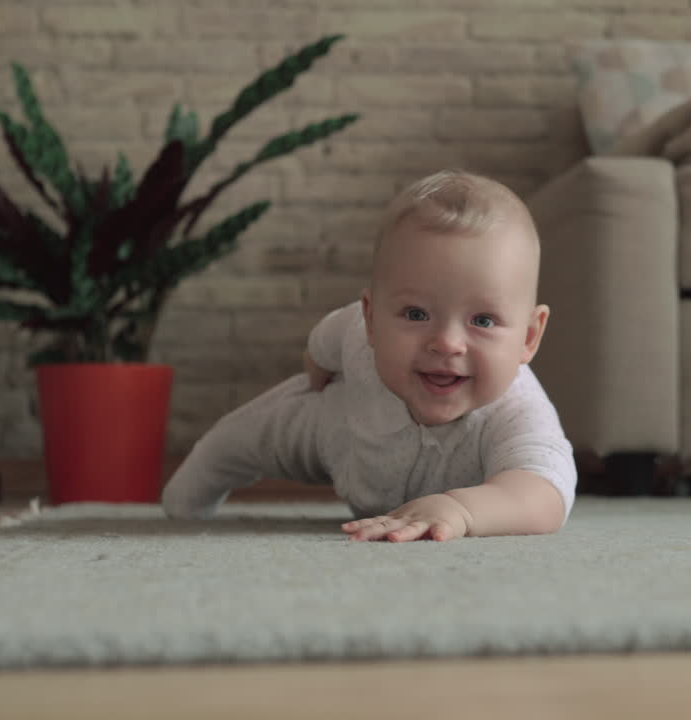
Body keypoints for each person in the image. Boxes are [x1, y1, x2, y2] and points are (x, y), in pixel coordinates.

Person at [162, 169, 576, 542]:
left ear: (528, 337)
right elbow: (328, 336)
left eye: (482, 321)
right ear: (372, 319)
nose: (447, 343)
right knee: (241, 437)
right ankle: (183, 501)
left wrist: (461, 510)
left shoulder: (517, 411)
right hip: (344, 429)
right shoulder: (357, 337)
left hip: (432, 482)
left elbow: (543, 494)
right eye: (416, 314)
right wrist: (318, 368)